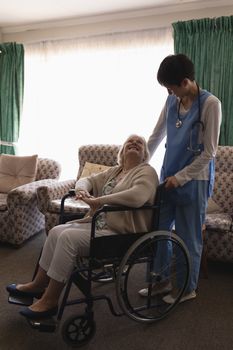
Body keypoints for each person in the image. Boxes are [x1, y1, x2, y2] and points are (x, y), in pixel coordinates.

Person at [6, 134, 159, 319]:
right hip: (99, 224)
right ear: (122, 151)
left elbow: (137, 197)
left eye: (139, 143)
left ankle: (51, 300)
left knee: (67, 238)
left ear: (145, 154)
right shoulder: (115, 171)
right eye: (130, 142)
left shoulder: (147, 172)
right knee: (55, 232)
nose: (134, 143)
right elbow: (89, 180)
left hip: (121, 233)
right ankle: (39, 284)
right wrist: (81, 189)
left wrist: (99, 201)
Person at [139, 54, 222, 303]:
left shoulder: (210, 104)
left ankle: (186, 288)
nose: (169, 92)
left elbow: (209, 153)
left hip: (193, 181)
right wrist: (140, 164)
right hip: (168, 178)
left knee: (188, 237)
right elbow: (155, 136)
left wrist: (182, 177)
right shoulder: (171, 102)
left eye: (171, 87)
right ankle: (161, 280)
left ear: (185, 82)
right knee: (160, 231)